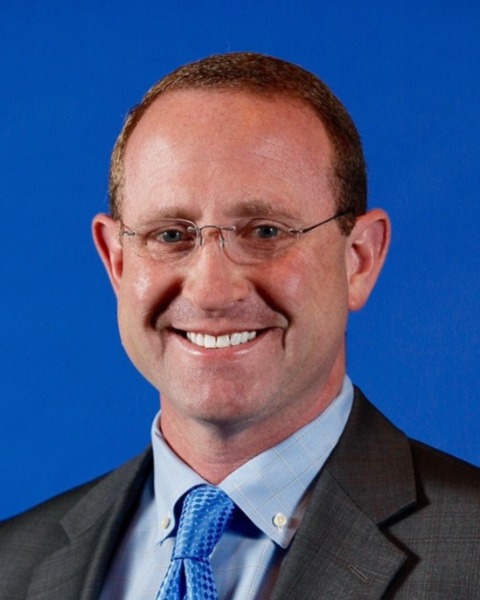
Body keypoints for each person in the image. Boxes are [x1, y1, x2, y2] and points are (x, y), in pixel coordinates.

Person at [1, 52, 479, 600]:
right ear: (117, 261)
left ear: (359, 259)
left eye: (266, 231)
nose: (211, 291)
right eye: (170, 235)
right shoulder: (13, 567)